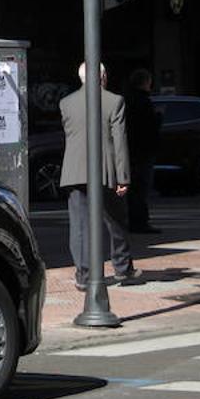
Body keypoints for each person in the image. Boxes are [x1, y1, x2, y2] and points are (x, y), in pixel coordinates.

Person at [59, 61, 140, 291]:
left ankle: (84, 276)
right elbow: (120, 141)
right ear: (103, 77)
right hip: (105, 170)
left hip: (74, 170)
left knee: (80, 225)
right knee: (116, 221)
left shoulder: (66, 103)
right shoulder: (114, 101)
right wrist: (123, 176)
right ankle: (123, 269)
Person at [124, 68, 161, 233]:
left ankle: (133, 220)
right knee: (141, 188)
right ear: (145, 82)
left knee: (133, 189)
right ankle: (140, 222)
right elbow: (149, 128)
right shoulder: (143, 102)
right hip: (143, 151)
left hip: (129, 150)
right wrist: (158, 118)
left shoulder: (125, 100)